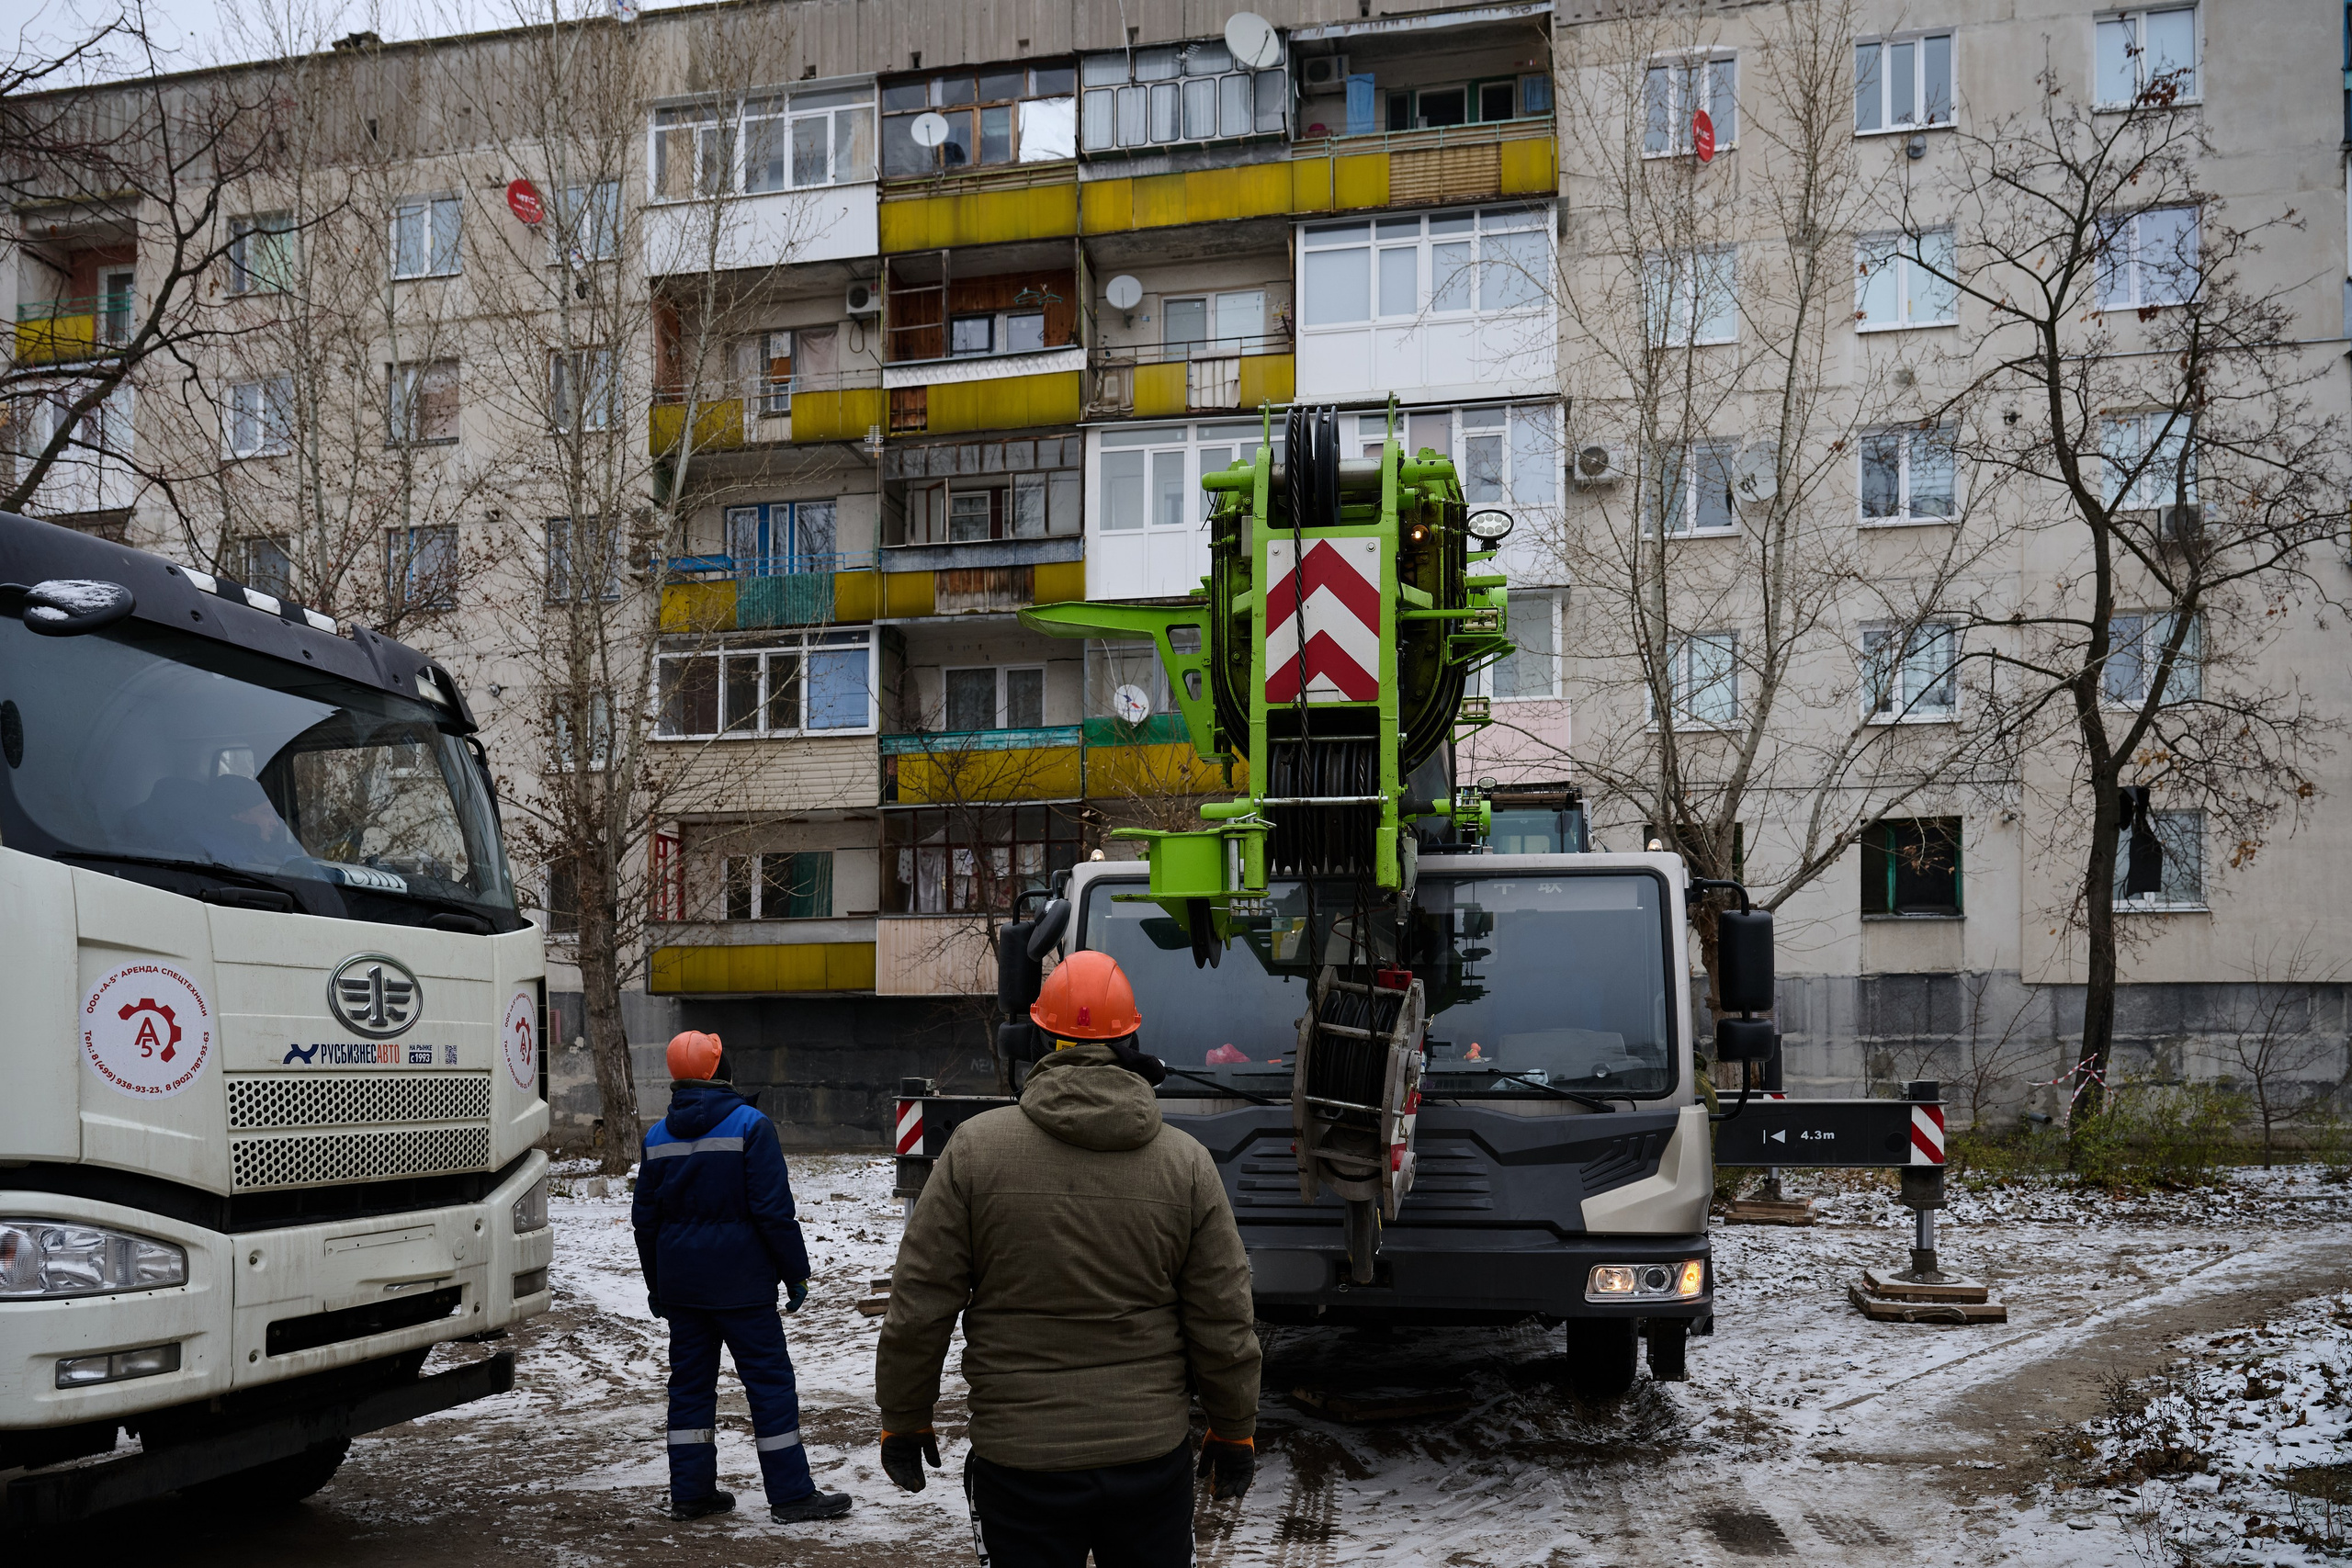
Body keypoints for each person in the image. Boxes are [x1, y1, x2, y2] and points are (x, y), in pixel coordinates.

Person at [874, 951, 1261, 1567]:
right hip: (1147, 1460)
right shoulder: (1185, 1163)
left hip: (1020, 1464)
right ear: (1131, 1038)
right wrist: (1233, 1424)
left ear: (1042, 1039)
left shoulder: (976, 1151)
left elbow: (920, 1301)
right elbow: (1223, 1313)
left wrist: (905, 1414)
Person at [632, 1031, 852, 1525]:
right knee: (769, 1385)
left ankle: (691, 1494)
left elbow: (645, 1221)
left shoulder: (656, 1137)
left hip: (684, 1289)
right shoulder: (752, 1126)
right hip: (743, 1288)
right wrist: (795, 1273)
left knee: (689, 1388)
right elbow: (773, 1212)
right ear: (719, 1072)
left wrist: (658, 1285)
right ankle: (791, 1495)